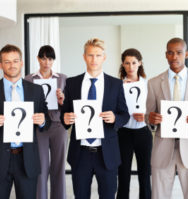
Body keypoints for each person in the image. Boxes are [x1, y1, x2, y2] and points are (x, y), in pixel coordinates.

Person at [60, 38, 130, 199]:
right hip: (80, 153)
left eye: (98, 55)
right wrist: (66, 118)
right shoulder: (71, 83)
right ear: (84, 56)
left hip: (107, 153)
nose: (94, 59)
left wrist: (114, 118)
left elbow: (124, 115)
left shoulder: (115, 84)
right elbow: (64, 115)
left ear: (104, 57)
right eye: (90, 55)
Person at [146, 37, 188, 199]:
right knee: (159, 195)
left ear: (186, 54)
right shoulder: (154, 83)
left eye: (178, 53)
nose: (174, 56)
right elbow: (148, 115)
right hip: (162, 148)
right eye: (170, 53)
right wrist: (151, 120)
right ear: (166, 55)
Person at [0, 44, 51, 199]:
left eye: (15, 61)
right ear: (0, 65)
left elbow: (47, 121)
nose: (12, 65)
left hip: (27, 159)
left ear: (21, 63)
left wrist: (42, 121)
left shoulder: (36, 90)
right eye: (7, 62)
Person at [25, 45, 67, 199]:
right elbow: (25, 103)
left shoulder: (62, 78)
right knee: (41, 168)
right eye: (43, 58)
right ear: (38, 59)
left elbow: (68, 105)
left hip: (58, 125)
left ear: (53, 60)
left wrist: (62, 100)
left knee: (59, 167)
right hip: (39, 127)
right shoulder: (29, 79)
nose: (46, 62)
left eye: (50, 58)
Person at [116, 48, 152, 199]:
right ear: (123, 65)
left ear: (140, 63)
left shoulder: (148, 84)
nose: (131, 66)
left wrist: (145, 116)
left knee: (145, 175)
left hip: (143, 132)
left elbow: (153, 108)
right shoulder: (117, 86)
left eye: (134, 63)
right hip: (123, 133)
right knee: (123, 175)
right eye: (127, 63)